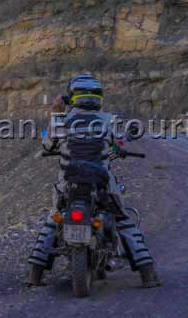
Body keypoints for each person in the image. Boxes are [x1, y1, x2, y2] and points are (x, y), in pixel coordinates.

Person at [27, 74, 160, 287]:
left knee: (53, 220)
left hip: (67, 183)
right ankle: (147, 273)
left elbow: (48, 147)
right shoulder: (110, 120)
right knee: (123, 220)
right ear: (98, 97)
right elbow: (128, 135)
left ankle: (35, 273)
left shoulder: (63, 120)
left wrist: (56, 113)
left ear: (72, 97)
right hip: (102, 184)